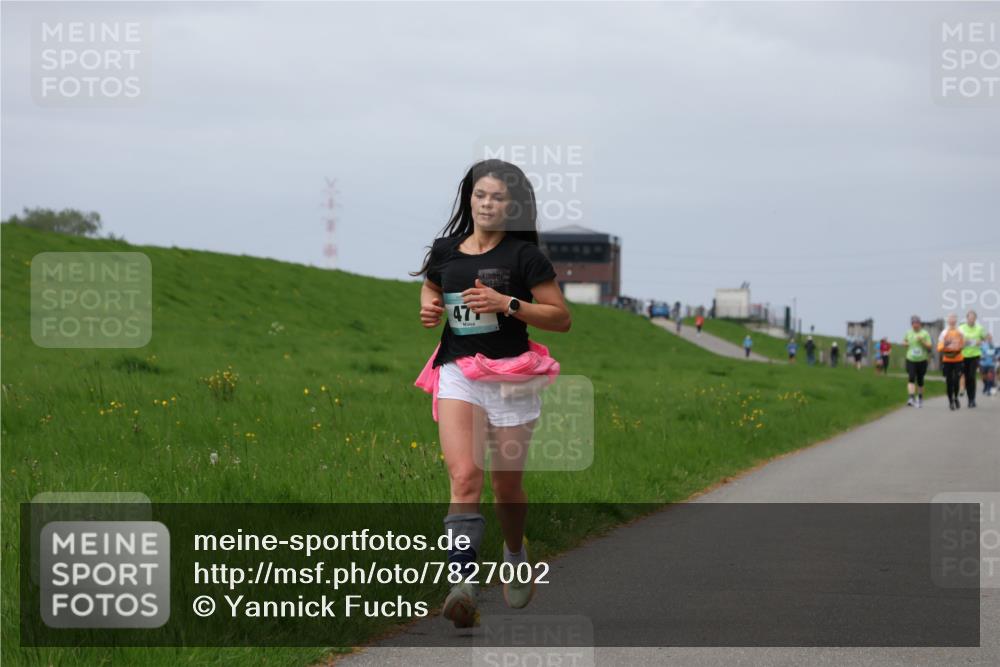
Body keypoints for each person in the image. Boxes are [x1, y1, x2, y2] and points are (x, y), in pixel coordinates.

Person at [413, 159, 571, 627]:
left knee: (506, 487)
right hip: (459, 370)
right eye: (480, 195)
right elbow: (430, 286)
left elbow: (561, 317)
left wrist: (508, 304)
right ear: (469, 198)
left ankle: (515, 552)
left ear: (512, 206)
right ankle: (462, 582)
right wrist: (429, 307)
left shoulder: (525, 258)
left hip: (512, 377)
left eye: (497, 197)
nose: (486, 204)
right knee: (464, 476)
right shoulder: (446, 251)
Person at [937, 313, 966, 411]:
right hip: (947, 360)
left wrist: (961, 345)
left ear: (956, 320)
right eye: (950, 318)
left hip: (958, 359)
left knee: (956, 380)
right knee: (949, 382)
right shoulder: (944, 332)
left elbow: (964, 343)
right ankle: (950, 401)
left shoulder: (960, 332)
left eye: (954, 318)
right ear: (948, 321)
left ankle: (956, 397)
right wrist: (945, 345)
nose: (952, 320)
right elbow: (939, 347)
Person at [958, 310, 986, 408]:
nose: (971, 320)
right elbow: (956, 339)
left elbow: (985, 338)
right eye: (970, 318)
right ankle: (963, 388)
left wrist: (980, 341)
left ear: (975, 319)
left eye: (973, 318)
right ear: (967, 318)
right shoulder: (961, 328)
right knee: (963, 375)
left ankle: (971, 400)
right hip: (963, 355)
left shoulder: (979, 328)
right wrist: (962, 341)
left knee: (971, 377)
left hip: (975, 355)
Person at [903, 315, 932, 407]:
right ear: (911, 324)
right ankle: (911, 397)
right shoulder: (908, 332)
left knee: (920, 380)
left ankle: (920, 397)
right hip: (911, 358)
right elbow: (904, 342)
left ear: (920, 324)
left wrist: (922, 341)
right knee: (911, 377)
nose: (915, 325)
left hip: (922, 359)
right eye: (913, 323)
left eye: (917, 323)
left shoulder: (925, 333)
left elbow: (929, 346)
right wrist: (905, 343)